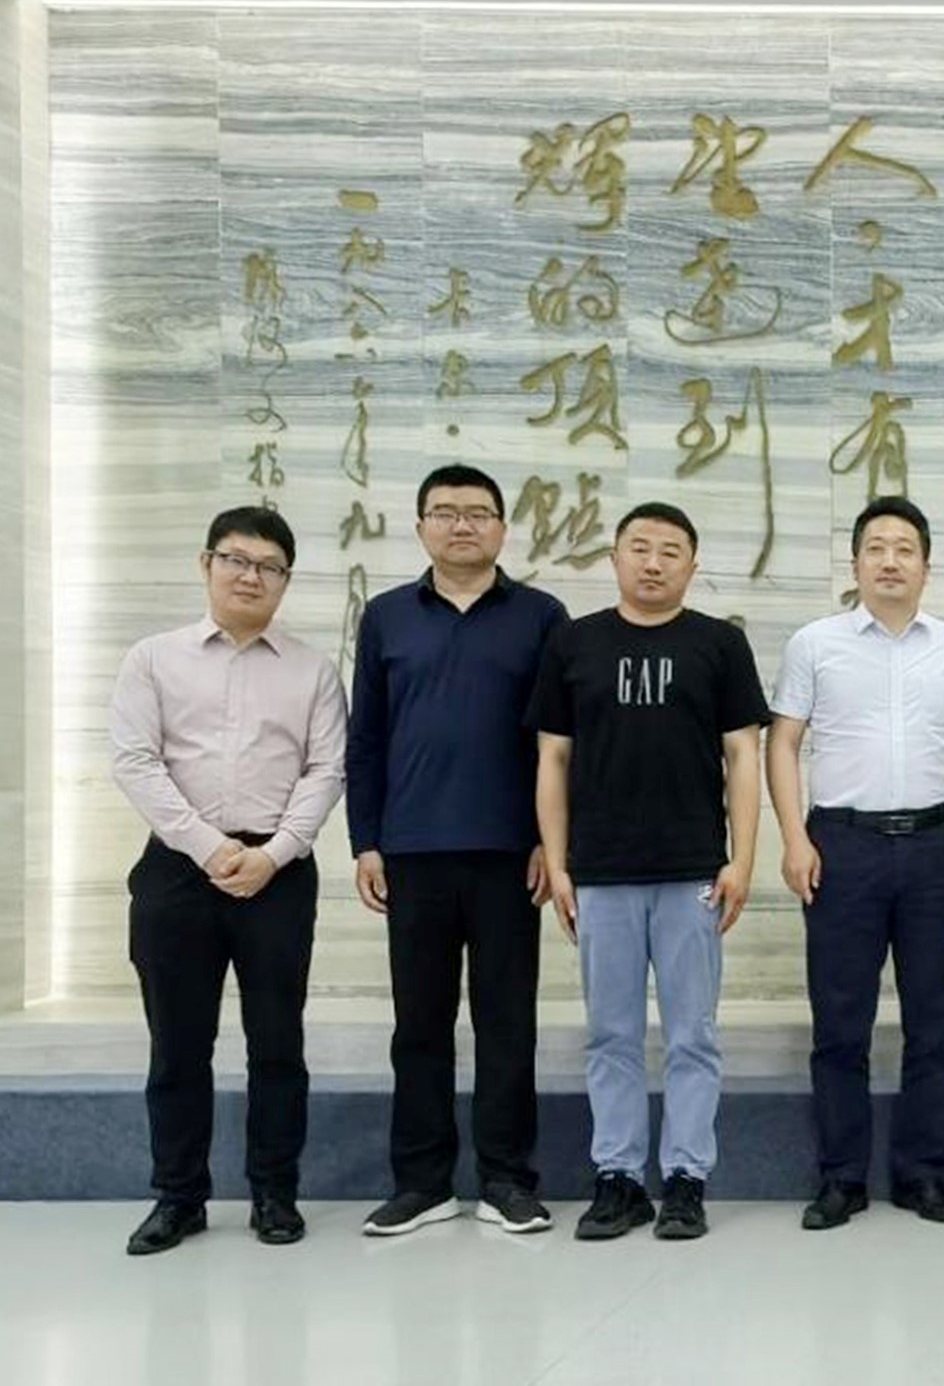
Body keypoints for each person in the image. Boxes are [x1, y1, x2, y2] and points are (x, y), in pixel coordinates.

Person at [109, 506, 346, 1255]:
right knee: (178, 1045)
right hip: (177, 872)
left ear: (286, 580)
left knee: (277, 1044)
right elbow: (135, 762)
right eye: (236, 560)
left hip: (279, 875)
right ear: (206, 563)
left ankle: (275, 1194)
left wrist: (273, 854)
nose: (251, 576)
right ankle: (178, 1197)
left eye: (269, 566)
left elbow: (326, 769)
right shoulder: (153, 658)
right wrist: (211, 849)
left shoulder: (313, 670)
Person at [532, 503, 767, 1243]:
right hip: (600, 872)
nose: (654, 562)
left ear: (693, 565)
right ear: (615, 557)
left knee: (693, 1034)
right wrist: (558, 863)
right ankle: (619, 1179)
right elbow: (553, 758)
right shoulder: (574, 642)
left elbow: (744, 755)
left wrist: (742, 859)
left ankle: (687, 1180)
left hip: (692, 869)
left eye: (671, 550)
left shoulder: (720, 643)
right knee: (611, 1033)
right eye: (640, 547)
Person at [349, 464, 568, 1238]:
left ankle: (507, 1180)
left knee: (507, 1022)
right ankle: (422, 1183)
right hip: (412, 851)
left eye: (478, 512)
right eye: (444, 512)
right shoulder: (387, 617)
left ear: (504, 529)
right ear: (421, 529)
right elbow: (366, 738)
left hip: (510, 854)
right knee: (419, 1024)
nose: (462, 524)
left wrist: (550, 842)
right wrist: (366, 841)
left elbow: (558, 744)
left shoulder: (541, 616)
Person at [767, 497, 944, 1230]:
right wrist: (794, 839)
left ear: (926, 565)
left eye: (904, 549)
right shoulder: (815, 644)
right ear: (856, 562)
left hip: (936, 844)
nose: (890, 561)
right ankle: (841, 1178)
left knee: (935, 1020)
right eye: (876, 548)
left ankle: (924, 1174)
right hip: (843, 846)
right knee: (840, 1021)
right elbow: (782, 742)